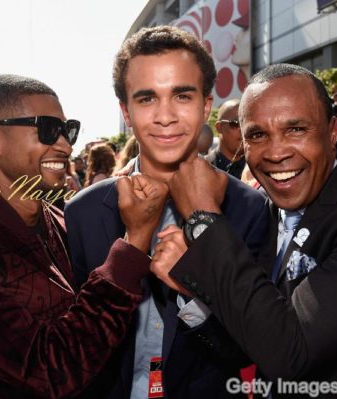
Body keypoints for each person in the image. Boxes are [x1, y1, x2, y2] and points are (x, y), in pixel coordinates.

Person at [150, 64, 337, 393]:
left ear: (331, 133)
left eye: (296, 129)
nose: (276, 152)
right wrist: (194, 293)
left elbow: (290, 353)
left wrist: (204, 222)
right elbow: (252, 338)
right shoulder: (269, 210)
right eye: (258, 135)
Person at [0, 74, 168, 397]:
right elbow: (50, 370)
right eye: (48, 129)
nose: (65, 145)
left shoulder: (63, 222)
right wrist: (134, 243)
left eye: (69, 131)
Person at [64, 26, 269, 399]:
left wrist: (196, 289)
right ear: (126, 112)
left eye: (182, 95)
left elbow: (258, 347)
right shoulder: (82, 213)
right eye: (146, 99)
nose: (165, 116)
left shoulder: (250, 209)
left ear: (206, 105)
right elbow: (71, 350)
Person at [205, 99, 246, 179]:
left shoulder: (259, 169)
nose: (242, 129)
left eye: (246, 123)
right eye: (235, 123)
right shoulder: (203, 167)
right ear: (219, 127)